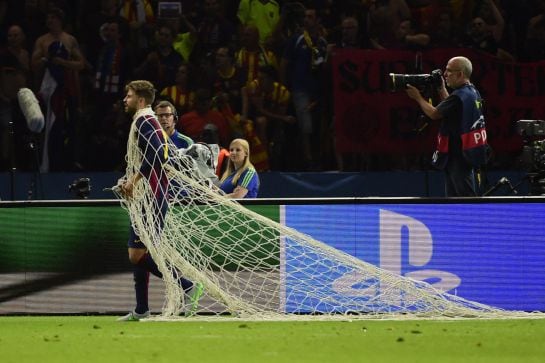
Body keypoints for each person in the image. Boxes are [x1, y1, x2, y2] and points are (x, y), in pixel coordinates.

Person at [117, 80, 203, 321]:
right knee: (139, 251)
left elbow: (158, 153)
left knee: (137, 254)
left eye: (129, 95)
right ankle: (142, 308)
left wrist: (134, 181)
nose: (126, 99)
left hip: (152, 195)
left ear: (141, 100)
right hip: (151, 194)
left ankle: (186, 284)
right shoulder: (145, 119)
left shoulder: (145, 119)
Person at [405, 56, 489, 197]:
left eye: (449, 71)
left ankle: (470, 218)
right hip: (462, 153)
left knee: (465, 198)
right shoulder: (470, 92)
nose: (445, 74)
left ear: (460, 74)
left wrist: (418, 97)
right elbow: (449, 108)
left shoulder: (459, 95)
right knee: (453, 198)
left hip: (458, 155)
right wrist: (441, 88)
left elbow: (434, 113)